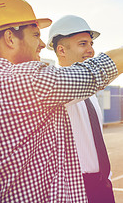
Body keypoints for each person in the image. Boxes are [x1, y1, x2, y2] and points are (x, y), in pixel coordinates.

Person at [0, 0, 123, 202]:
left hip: (99, 185)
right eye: (36, 35)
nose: (40, 44)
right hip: (76, 187)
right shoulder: (24, 82)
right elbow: (95, 71)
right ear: (10, 38)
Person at [46, 15, 115, 202]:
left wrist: (106, 179)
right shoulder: (53, 87)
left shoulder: (90, 93)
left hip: (102, 186)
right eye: (83, 44)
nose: (91, 51)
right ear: (61, 50)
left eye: (91, 44)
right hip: (76, 188)